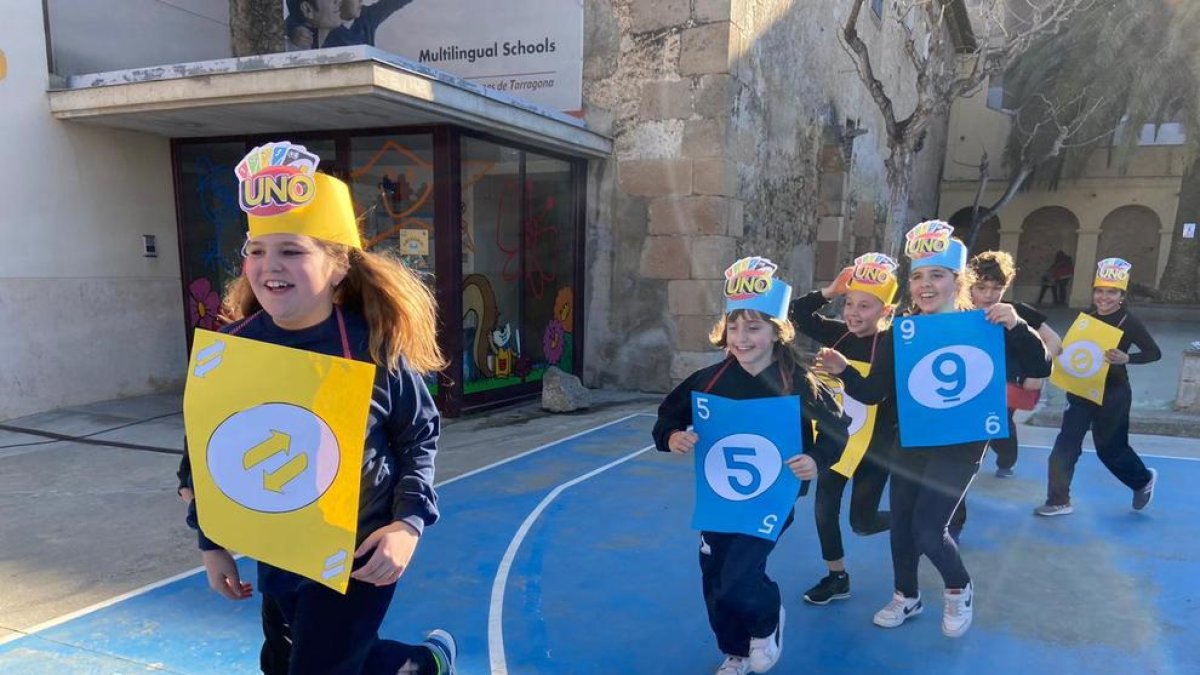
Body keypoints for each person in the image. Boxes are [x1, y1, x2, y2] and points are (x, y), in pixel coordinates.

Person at [184, 142, 457, 675]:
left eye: (292, 250)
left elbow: (418, 434)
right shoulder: (231, 350)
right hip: (279, 544)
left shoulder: (374, 349)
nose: (270, 265)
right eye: (257, 250)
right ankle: (421, 665)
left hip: (359, 554)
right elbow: (203, 447)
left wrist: (407, 524)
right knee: (286, 661)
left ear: (337, 267)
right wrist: (210, 541)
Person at [815, 220, 1051, 639]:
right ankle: (905, 595)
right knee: (903, 527)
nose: (925, 284)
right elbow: (872, 392)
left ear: (958, 282)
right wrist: (844, 369)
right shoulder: (901, 333)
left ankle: (959, 586)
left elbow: (1039, 366)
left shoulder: (986, 323)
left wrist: (1018, 325)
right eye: (918, 276)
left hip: (962, 442)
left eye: (937, 275)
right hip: (913, 437)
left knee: (928, 529)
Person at [653, 257, 849, 675]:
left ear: (777, 332)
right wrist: (672, 437)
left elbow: (836, 428)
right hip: (720, 497)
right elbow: (667, 417)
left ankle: (766, 621)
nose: (742, 338)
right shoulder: (708, 380)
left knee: (741, 575)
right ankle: (736, 652)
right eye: (734, 327)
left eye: (754, 328)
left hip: (773, 496)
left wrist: (816, 460)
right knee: (715, 577)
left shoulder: (798, 382)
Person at [788, 253, 899, 606]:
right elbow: (794, 314)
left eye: (865, 306)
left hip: (875, 450)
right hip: (837, 440)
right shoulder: (838, 334)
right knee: (824, 510)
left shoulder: (892, 343)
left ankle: (908, 518)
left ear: (885, 311)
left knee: (862, 524)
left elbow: (873, 393)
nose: (853, 312)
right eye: (849, 303)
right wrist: (829, 291)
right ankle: (837, 577)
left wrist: (843, 369)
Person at [1036, 257, 1161, 516]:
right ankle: (1058, 500)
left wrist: (1127, 358)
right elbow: (1073, 351)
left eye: (1112, 292)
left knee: (1110, 450)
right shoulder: (1087, 317)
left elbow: (1154, 353)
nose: (1104, 297)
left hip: (1113, 393)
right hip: (1081, 390)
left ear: (1122, 296)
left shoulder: (1129, 321)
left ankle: (1142, 480)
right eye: (1100, 291)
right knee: (1065, 447)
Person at [968, 251, 1063, 477]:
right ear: (968, 285)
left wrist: (1036, 373)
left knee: (1000, 427)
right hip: (967, 383)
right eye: (981, 287)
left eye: (996, 288)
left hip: (1007, 385)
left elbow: (1054, 341)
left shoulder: (1016, 312)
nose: (989, 295)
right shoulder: (957, 312)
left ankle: (1006, 461)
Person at [287, 0, 413, 49]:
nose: (361, 1)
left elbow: (392, 3)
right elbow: (295, 18)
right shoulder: (325, 21)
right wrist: (294, 29)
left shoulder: (366, 16)